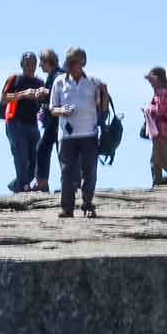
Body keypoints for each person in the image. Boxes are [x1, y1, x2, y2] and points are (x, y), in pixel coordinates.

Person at [48, 46, 111, 218]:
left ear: (82, 63)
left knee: (89, 171)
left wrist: (104, 94)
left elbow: (103, 109)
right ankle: (67, 208)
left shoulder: (93, 82)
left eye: (73, 62)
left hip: (89, 134)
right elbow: (52, 108)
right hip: (67, 136)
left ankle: (88, 205)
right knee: (67, 172)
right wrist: (63, 111)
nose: (70, 65)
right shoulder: (59, 82)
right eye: (68, 62)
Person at [0, 53, 52, 193]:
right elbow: (3, 98)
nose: (30, 66)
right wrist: (23, 94)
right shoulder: (15, 79)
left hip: (33, 124)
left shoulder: (40, 82)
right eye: (27, 63)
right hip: (15, 123)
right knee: (21, 157)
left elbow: (47, 101)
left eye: (33, 63)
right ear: (22, 64)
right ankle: (23, 188)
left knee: (36, 158)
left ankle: (18, 185)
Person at [34, 49, 66, 190]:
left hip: (56, 121)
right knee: (59, 152)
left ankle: (42, 183)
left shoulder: (57, 75)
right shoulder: (54, 74)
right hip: (56, 121)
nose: (40, 65)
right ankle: (68, 183)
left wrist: (44, 92)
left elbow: (59, 92)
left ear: (48, 61)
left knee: (44, 149)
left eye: (42, 62)